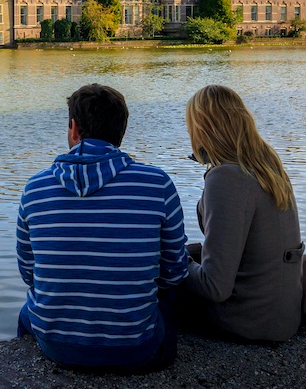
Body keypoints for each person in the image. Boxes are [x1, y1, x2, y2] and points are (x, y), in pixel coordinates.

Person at [16, 84, 189, 372]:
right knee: (170, 296)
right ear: (121, 130)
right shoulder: (157, 184)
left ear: (73, 128)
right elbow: (175, 272)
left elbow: (29, 273)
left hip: (56, 348)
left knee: (30, 308)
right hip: (138, 350)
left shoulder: (35, 188)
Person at [182, 84, 303, 342]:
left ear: (203, 129)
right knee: (185, 252)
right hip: (283, 316)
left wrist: (173, 262)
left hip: (247, 321)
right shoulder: (267, 165)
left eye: (191, 126)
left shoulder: (227, 177)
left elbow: (214, 287)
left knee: (158, 270)